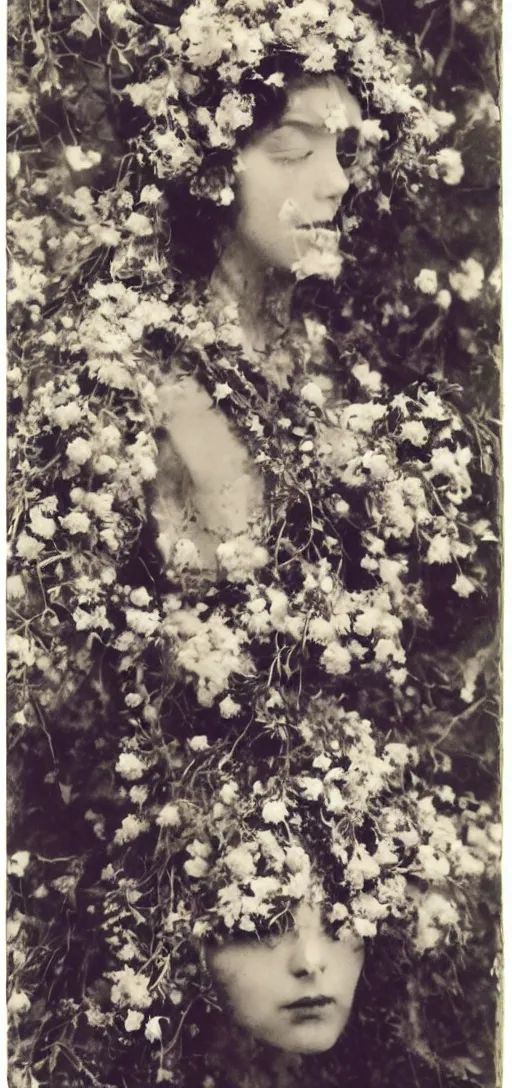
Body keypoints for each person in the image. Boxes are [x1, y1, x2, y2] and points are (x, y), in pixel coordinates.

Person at [6, 2, 499, 1087]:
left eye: (348, 151)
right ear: (206, 167)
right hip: (196, 880)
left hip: (342, 881)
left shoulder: (360, 389)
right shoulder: (136, 379)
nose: (333, 182)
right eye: (292, 149)